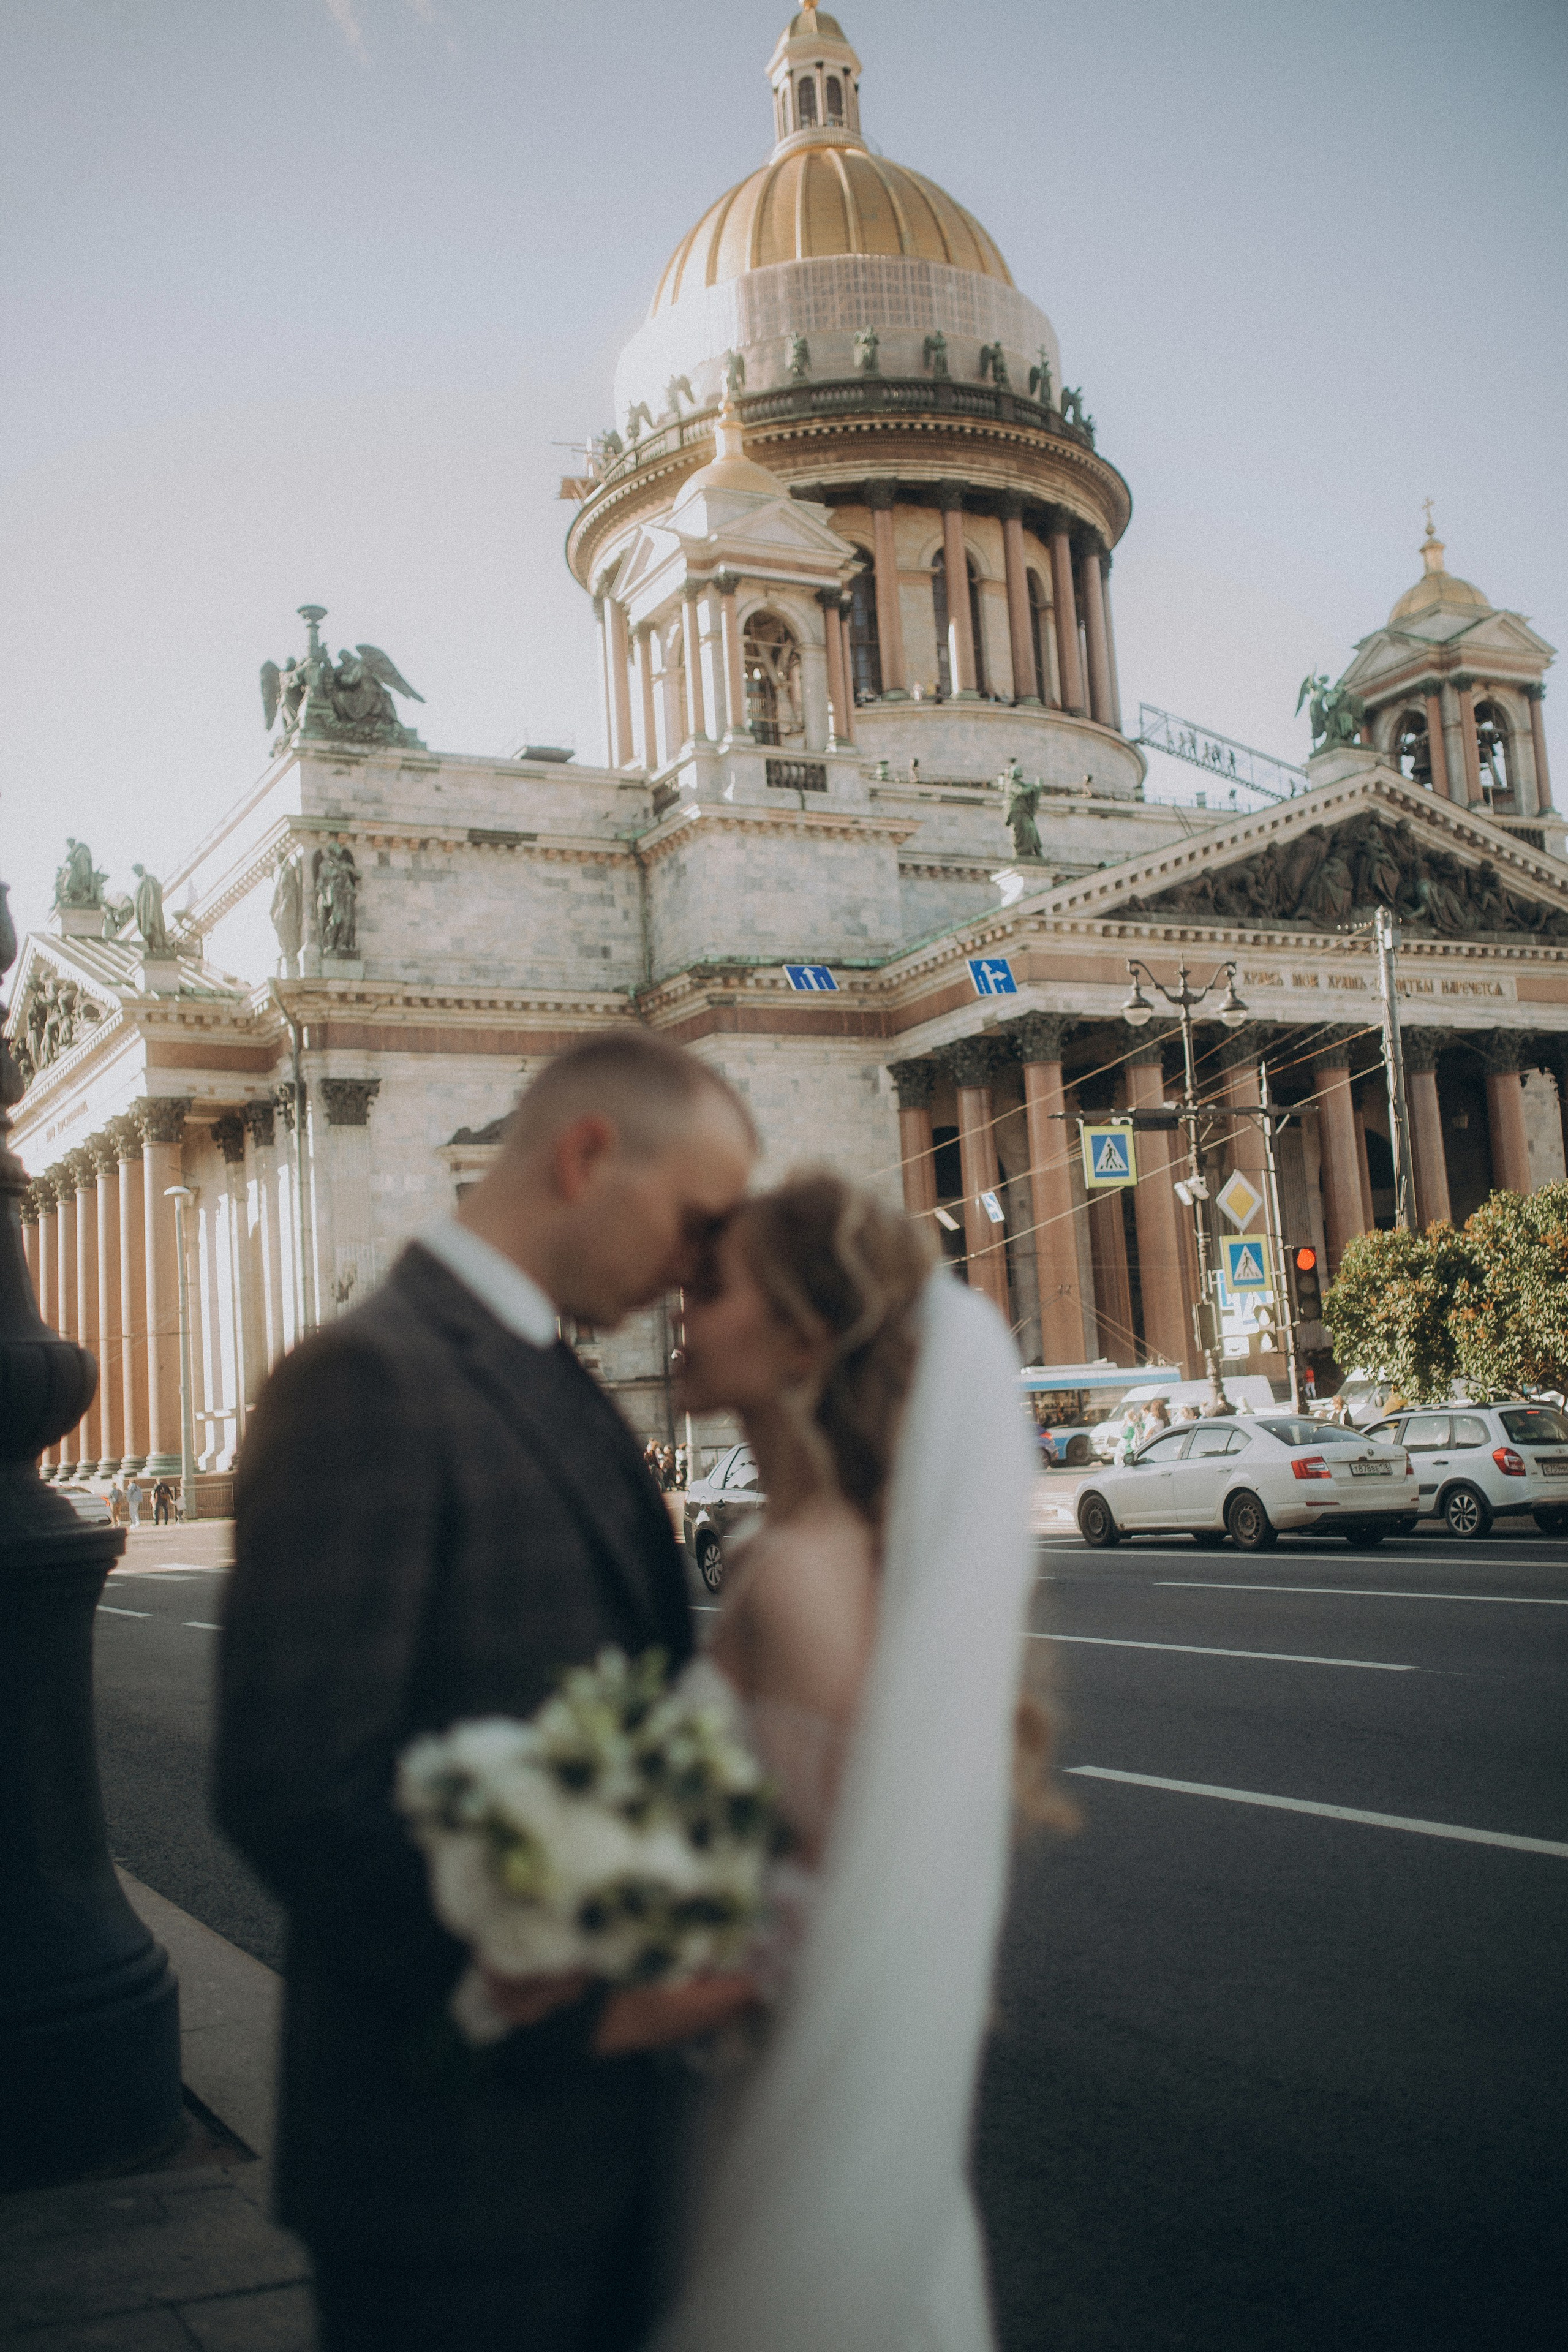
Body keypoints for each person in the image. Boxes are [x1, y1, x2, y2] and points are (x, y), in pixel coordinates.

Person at [214, 1034, 758, 2352]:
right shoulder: (367, 1379)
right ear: (585, 1157)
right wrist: (565, 2007)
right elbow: (293, 1782)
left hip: (600, 2166)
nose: (697, 1269)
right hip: (449, 2182)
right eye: (694, 1223)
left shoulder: (550, 1380)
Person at [659, 1169, 1036, 2351]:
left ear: (800, 1339)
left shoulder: (808, 1571)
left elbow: (844, 1908)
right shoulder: (811, 1547)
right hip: (798, 2113)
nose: (681, 1306)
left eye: (712, 1286)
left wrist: (587, 1998)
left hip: (797, 2116)